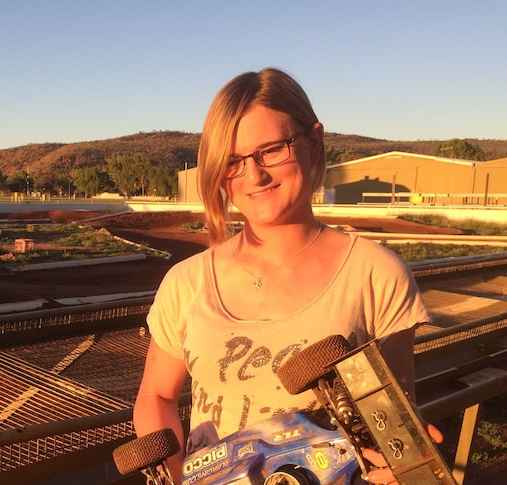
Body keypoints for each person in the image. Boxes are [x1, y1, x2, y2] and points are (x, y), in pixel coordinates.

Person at [132, 67, 441, 485]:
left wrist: (403, 463)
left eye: (272, 150)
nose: (254, 175)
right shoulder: (186, 282)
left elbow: (397, 414)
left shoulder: (376, 274)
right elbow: (157, 395)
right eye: (233, 161)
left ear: (314, 143)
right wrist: (173, 478)